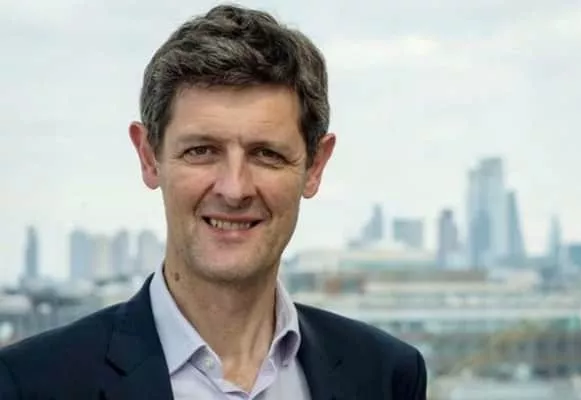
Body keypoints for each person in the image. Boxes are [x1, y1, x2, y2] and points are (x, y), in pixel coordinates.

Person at [0, 3, 427, 399]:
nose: (234, 189)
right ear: (149, 157)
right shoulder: (31, 384)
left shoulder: (385, 376)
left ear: (315, 166)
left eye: (266, 154)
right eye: (201, 151)